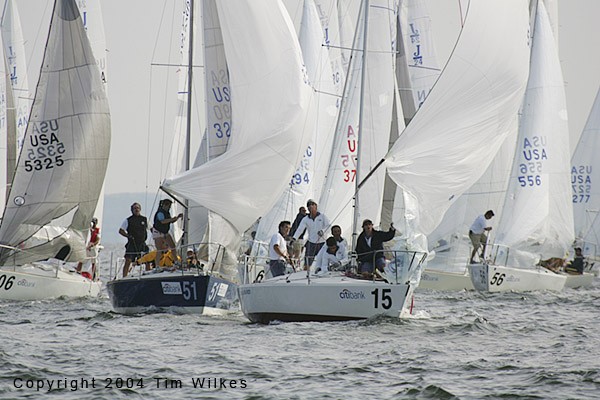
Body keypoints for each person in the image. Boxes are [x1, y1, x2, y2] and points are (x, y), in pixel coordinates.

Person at [292, 199, 330, 268]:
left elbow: (328, 226)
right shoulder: (305, 219)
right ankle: (306, 273)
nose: (311, 206)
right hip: (311, 242)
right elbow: (300, 229)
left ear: (316, 206)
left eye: (312, 204)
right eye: (309, 205)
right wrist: (294, 238)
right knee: (307, 262)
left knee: (323, 261)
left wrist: (323, 231)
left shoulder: (322, 216)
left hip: (322, 243)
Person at [119, 202, 149, 277]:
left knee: (147, 259)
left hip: (142, 243)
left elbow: (151, 229)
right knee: (128, 260)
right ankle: (124, 277)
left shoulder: (144, 219)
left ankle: (149, 274)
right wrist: (128, 236)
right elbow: (121, 230)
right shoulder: (128, 220)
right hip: (132, 243)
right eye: (135, 208)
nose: (136, 209)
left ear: (140, 209)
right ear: (132, 210)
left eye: (138, 208)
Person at [152, 199, 183, 270]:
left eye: (169, 206)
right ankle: (157, 265)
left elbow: (171, 221)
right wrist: (172, 219)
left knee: (173, 246)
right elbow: (163, 221)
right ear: (164, 205)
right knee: (159, 249)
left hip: (165, 232)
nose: (169, 207)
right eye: (168, 205)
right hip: (158, 232)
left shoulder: (167, 213)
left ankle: (176, 261)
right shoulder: (160, 212)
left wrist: (177, 217)